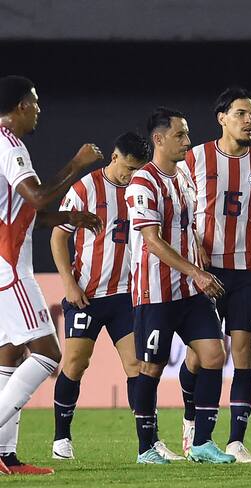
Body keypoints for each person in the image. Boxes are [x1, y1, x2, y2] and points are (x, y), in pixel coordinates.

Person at [49, 132, 182, 461]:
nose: (132, 174)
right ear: (114, 157)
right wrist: (68, 282)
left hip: (127, 296)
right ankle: (61, 438)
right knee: (76, 363)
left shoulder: (144, 189)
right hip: (88, 295)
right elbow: (57, 237)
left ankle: (148, 444)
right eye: (129, 167)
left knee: (138, 366)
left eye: (139, 168)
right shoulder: (85, 189)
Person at [177, 87, 251, 463]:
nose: (249, 120)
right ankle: (191, 421)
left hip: (249, 272)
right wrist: (193, 242)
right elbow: (177, 211)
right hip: (206, 272)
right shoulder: (192, 160)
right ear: (221, 118)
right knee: (200, 356)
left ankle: (236, 441)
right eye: (241, 113)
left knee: (245, 352)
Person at [0, 75, 103, 475]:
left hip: (6, 262)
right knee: (48, 355)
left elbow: (27, 213)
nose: (40, 110)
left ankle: (6, 456)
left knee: (8, 357)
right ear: (22, 106)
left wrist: (69, 217)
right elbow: (38, 196)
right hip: (11, 267)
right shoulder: (10, 146)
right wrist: (77, 165)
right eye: (36, 103)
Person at [126, 107, 233, 465]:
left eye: (187, 135)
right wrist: (198, 272)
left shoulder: (184, 176)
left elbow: (185, 225)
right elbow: (152, 241)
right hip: (156, 293)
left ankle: (201, 442)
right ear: (159, 139)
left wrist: (198, 250)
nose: (187, 142)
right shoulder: (143, 182)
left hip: (190, 291)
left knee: (214, 355)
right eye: (180, 136)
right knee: (151, 369)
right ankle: (146, 447)